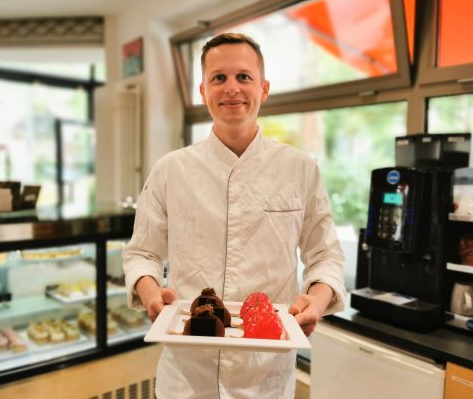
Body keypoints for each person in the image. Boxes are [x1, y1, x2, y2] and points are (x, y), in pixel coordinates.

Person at [123, 32, 346, 399]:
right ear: (202, 90)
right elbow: (141, 253)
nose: (232, 88)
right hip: (187, 375)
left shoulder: (300, 169)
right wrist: (150, 292)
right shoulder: (170, 170)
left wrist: (318, 299)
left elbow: (326, 256)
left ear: (264, 88)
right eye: (218, 78)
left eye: (244, 76)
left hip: (266, 376)